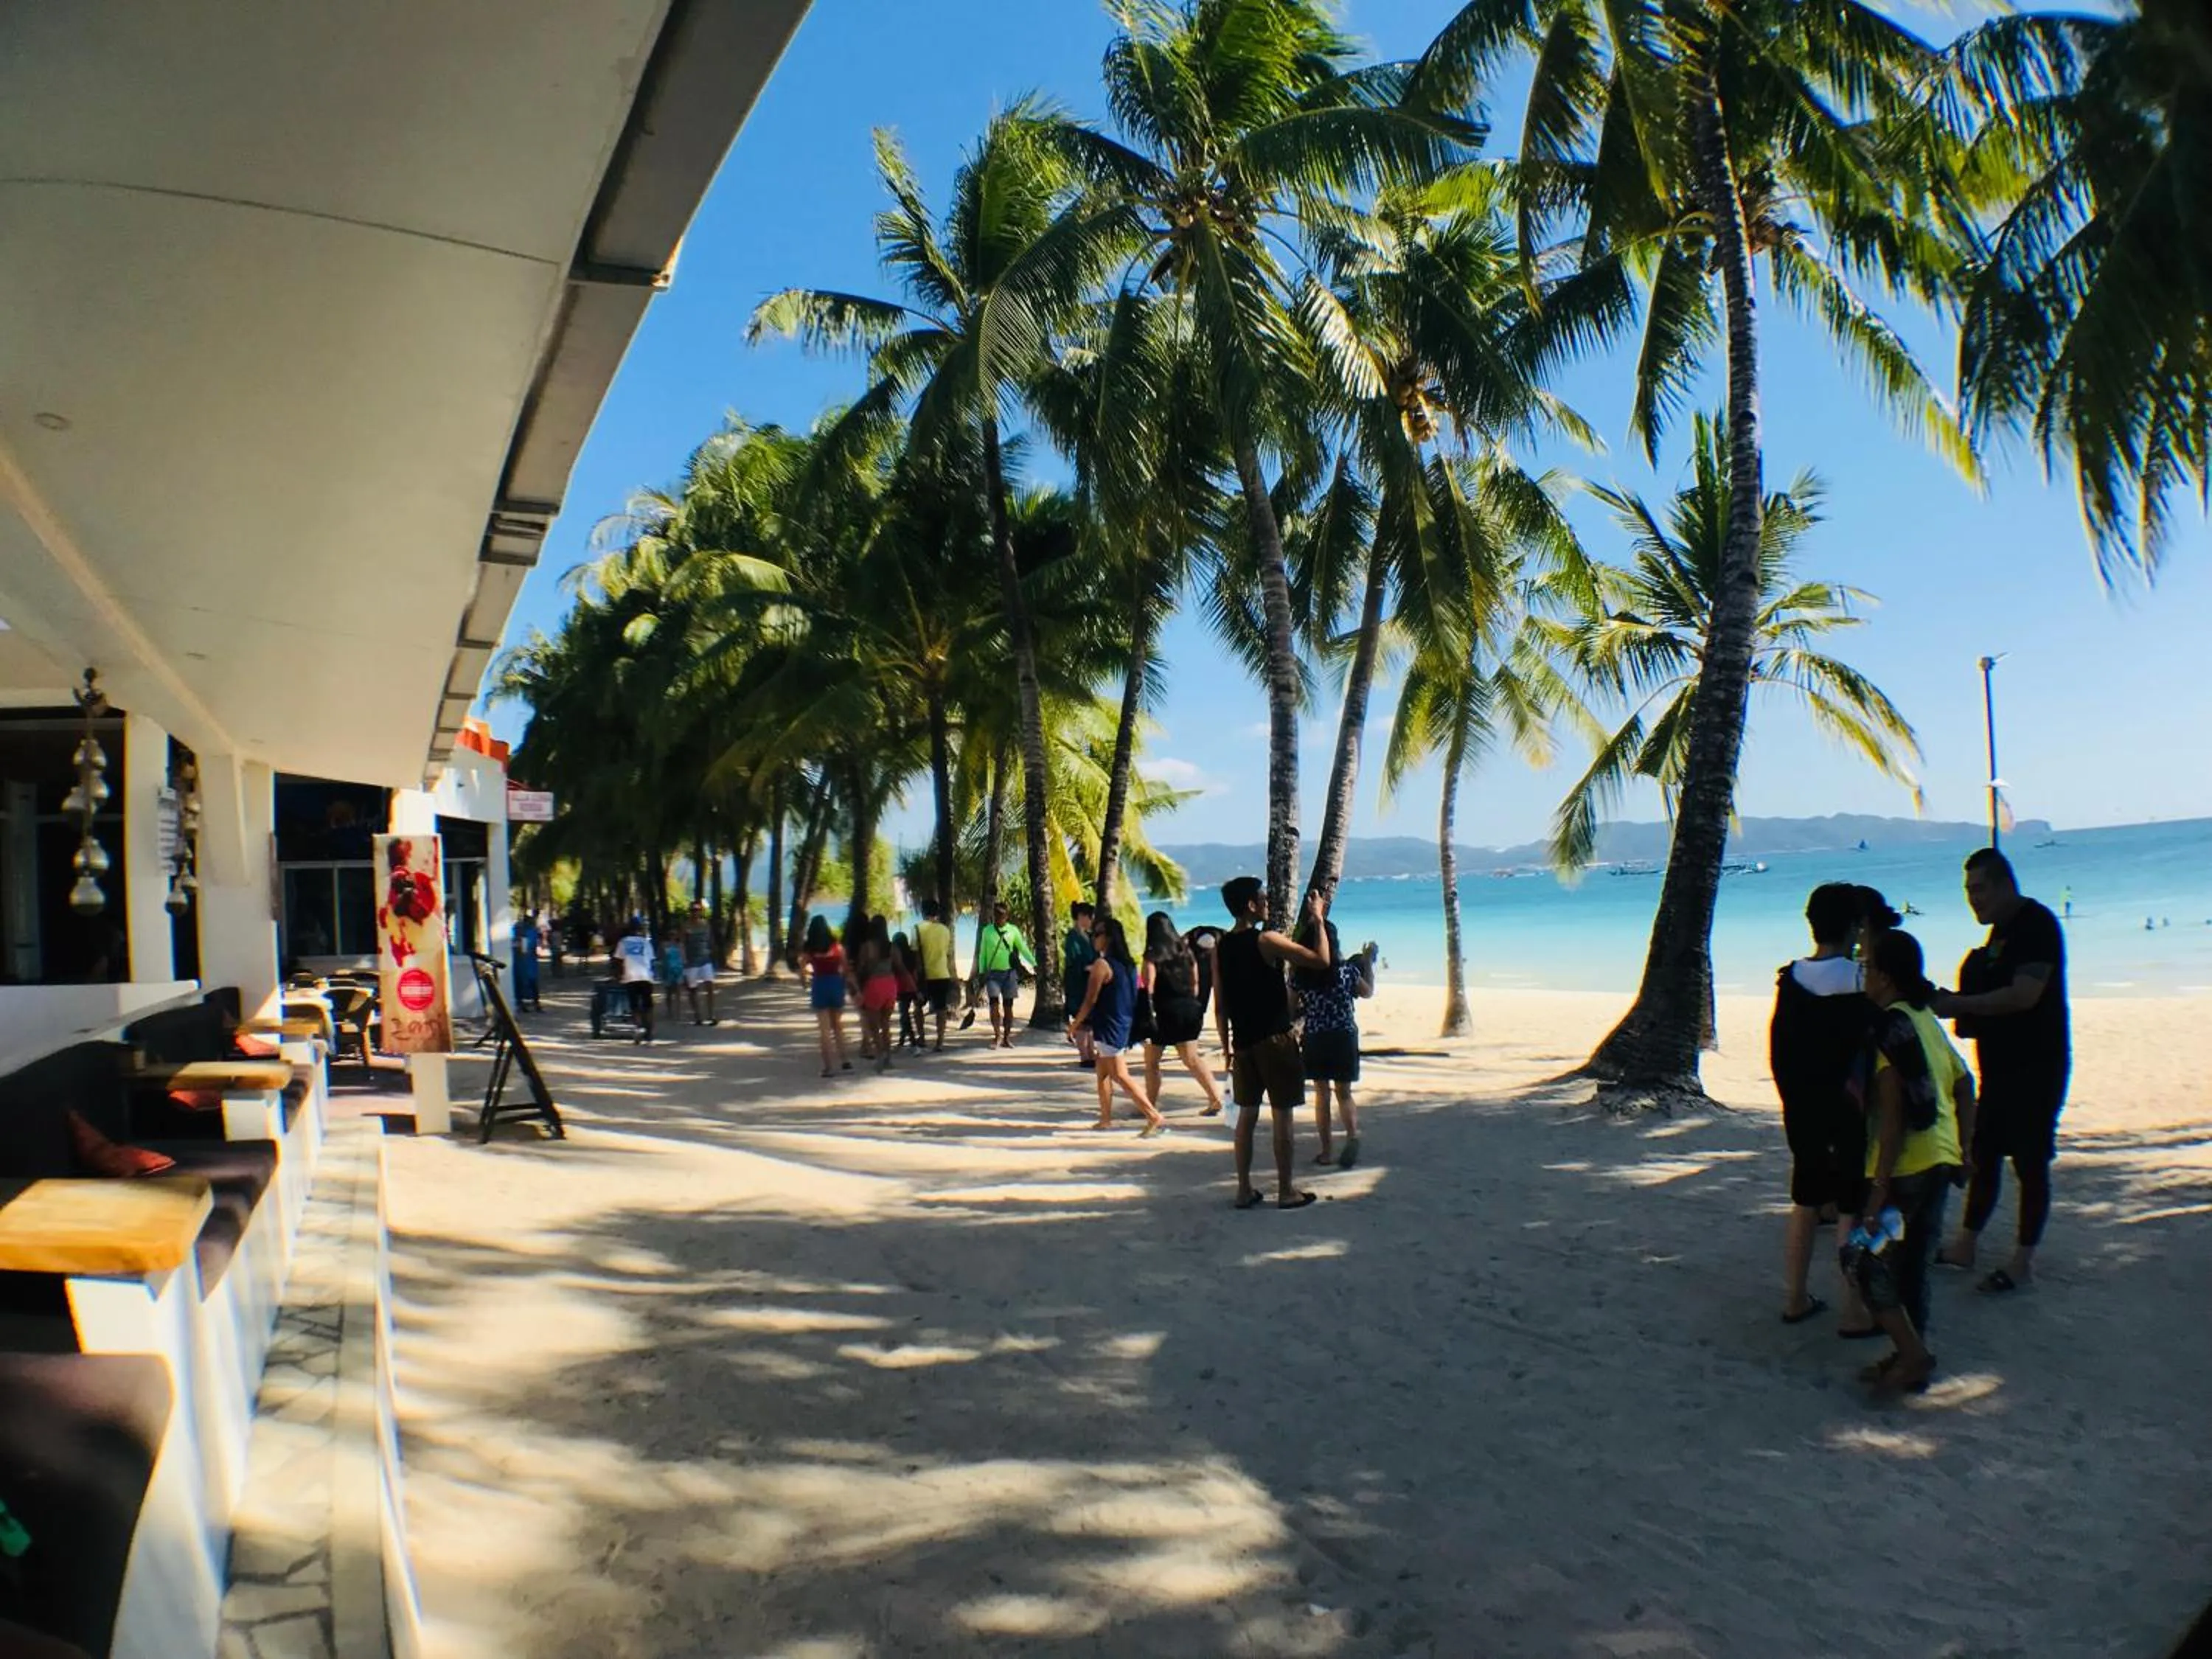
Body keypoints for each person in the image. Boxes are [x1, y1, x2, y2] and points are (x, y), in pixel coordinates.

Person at [1933, 848, 2070, 1293]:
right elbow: (1985, 1000)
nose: (1972, 899)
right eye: (1967, 891)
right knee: (1984, 1154)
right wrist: (1952, 1002)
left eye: (1979, 889)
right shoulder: (1997, 935)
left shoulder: (2037, 925)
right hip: (1997, 1066)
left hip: (2038, 1064)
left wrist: (1961, 1004)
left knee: (2030, 1163)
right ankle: (1966, 1245)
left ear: (2005, 885)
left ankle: (2022, 1262)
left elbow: (2023, 995)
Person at [1851, 929, 1976, 1394]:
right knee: (1913, 1268)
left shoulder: (1889, 1028)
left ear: (1885, 977)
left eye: (1867, 966)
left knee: (1864, 1262)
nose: (1863, 974)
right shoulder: (1923, 1018)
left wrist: (1879, 1187)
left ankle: (1913, 1355)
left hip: (1907, 1168)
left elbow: (1893, 1115)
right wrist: (1965, 1149)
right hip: (1940, 1158)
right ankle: (1909, 1359)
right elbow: (1965, 1085)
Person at [1769, 884, 1893, 1335]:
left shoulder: (1791, 980)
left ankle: (1795, 1298)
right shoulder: (1861, 981)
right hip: (1848, 1107)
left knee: (1804, 1199)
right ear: (1855, 927)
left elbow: (1779, 1051)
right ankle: (1853, 1309)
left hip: (1802, 1105)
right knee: (1850, 1209)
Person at [1213, 878, 1333, 1210]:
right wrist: (1318, 920)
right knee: (1283, 1116)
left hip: (1243, 1043)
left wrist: (1226, 1048)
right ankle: (1285, 1190)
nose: (1267, 902)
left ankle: (1243, 1189)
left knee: (1246, 1118)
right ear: (1251, 905)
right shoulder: (1266, 940)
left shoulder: (1221, 947)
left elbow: (1220, 1006)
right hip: (1275, 1040)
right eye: (1263, 898)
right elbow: (1320, 960)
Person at [1068, 917, 1169, 1137]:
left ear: (1109, 938)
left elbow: (1090, 1000)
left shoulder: (1102, 965)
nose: (1093, 938)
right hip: (1123, 1022)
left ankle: (1154, 1115)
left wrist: (1074, 1025)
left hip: (1109, 1026)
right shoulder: (1128, 965)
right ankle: (1105, 1118)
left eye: (1097, 934)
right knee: (1103, 1072)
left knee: (1120, 1074)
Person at [1295, 917, 1375, 1169]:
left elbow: (1289, 1008)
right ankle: (1352, 1136)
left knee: (1322, 1095)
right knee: (1344, 1093)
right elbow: (1368, 992)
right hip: (1344, 1035)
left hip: (1316, 1036)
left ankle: (1326, 1151)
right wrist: (1367, 962)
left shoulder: (1301, 975)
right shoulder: (1347, 972)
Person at [1139, 912, 1224, 1116]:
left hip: (1163, 1013)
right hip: (1189, 1010)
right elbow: (1195, 985)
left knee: (1152, 1063)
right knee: (1192, 1059)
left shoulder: (1152, 956)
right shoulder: (1186, 952)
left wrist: (1145, 1016)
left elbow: (1148, 987)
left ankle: (1150, 1106)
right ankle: (1215, 1099)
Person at [974, 900, 1032, 1048]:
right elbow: (983, 953)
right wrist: (981, 971)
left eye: (1002, 916)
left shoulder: (1013, 931)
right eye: (997, 915)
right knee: (994, 1005)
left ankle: (1006, 1037)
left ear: (1007, 916)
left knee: (1008, 1007)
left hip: (1009, 974)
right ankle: (997, 1036)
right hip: (993, 974)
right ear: (994, 916)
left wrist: (1034, 963)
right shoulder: (987, 931)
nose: (1000, 919)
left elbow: (1023, 948)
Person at [800, 914, 852, 1077]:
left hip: (820, 984)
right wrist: (843, 983)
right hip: (835, 983)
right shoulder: (837, 946)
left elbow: (802, 966)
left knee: (824, 1030)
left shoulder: (810, 949)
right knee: (838, 1026)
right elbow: (846, 967)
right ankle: (845, 1061)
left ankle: (828, 1068)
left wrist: (805, 981)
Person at [854, 915, 900, 1074]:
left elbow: (861, 968)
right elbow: (899, 966)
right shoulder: (892, 947)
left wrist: (857, 986)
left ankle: (880, 1056)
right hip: (890, 985)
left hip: (874, 985)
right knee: (886, 1024)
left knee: (873, 1027)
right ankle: (888, 1058)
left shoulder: (867, 947)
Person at [916, 898, 957, 1051]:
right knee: (941, 1009)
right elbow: (946, 952)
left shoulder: (917, 928)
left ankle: (922, 1038)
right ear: (937, 913)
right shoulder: (945, 930)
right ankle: (940, 1041)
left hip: (924, 975)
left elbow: (915, 953)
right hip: (942, 973)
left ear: (923, 912)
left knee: (918, 1007)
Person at [1062, 902, 1100, 1069]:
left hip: (1090, 981)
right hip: (1077, 982)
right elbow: (1074, 960)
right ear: (1082, 917)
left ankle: (1091, 1052)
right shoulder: (1072, 937)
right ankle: (1084, 1055)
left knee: (1090, 1020)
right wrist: (1088, 967)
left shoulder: (1089, 936)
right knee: (1082, 1019)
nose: (1091, 921)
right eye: (1090, 917)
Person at [614, 917, 656, 1045]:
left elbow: (618, 961)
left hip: (630, 976)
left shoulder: (623, 942)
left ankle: (638, 1028)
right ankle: (649, 1033)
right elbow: (651, 960)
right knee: (648, 1005)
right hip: (645, 976)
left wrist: (618, 976)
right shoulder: (646, 942)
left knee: (634, 1005)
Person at [681, 900, 719, 1026]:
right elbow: (682, 944)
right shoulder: (686, 926)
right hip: (691, 961)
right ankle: (697, 1016)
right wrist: (684, 959)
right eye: (693, 910)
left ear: (701, 911)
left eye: (697, 910)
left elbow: (711, 941)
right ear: (690, 912)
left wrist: (713, 953)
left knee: (710, 986)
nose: (695, 912)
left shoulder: (706, 924)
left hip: (705, 959)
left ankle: (711, 1015)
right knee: (693, 989)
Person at [891, 930, 923, 1051]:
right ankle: (903, 1039)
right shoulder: (912, 954)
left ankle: (911, 1040)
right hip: (913, 986)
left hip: (901, 987)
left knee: (904, 1014)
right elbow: (917, 970)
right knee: (904, 1014)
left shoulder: (896, 956)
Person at [512, 911, 543, 1012]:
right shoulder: (531, 931)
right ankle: (534, 1004)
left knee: (522, 982)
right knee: (530, 982)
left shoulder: (516, 930)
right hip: (528, 962)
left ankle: (523, 1003)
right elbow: (533, 946)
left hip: (521, 961)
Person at [657, 927, 685, 1020]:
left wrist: (684, 968)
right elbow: (660, 956)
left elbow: (683, 957)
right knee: (668, 992)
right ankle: (670, 1012)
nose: (672, 936)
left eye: (674, 934)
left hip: (678, 970)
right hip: (667, 970)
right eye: (671, 934)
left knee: (678, 992)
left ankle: (678, 1012)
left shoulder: (680, 945)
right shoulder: (663, 945)